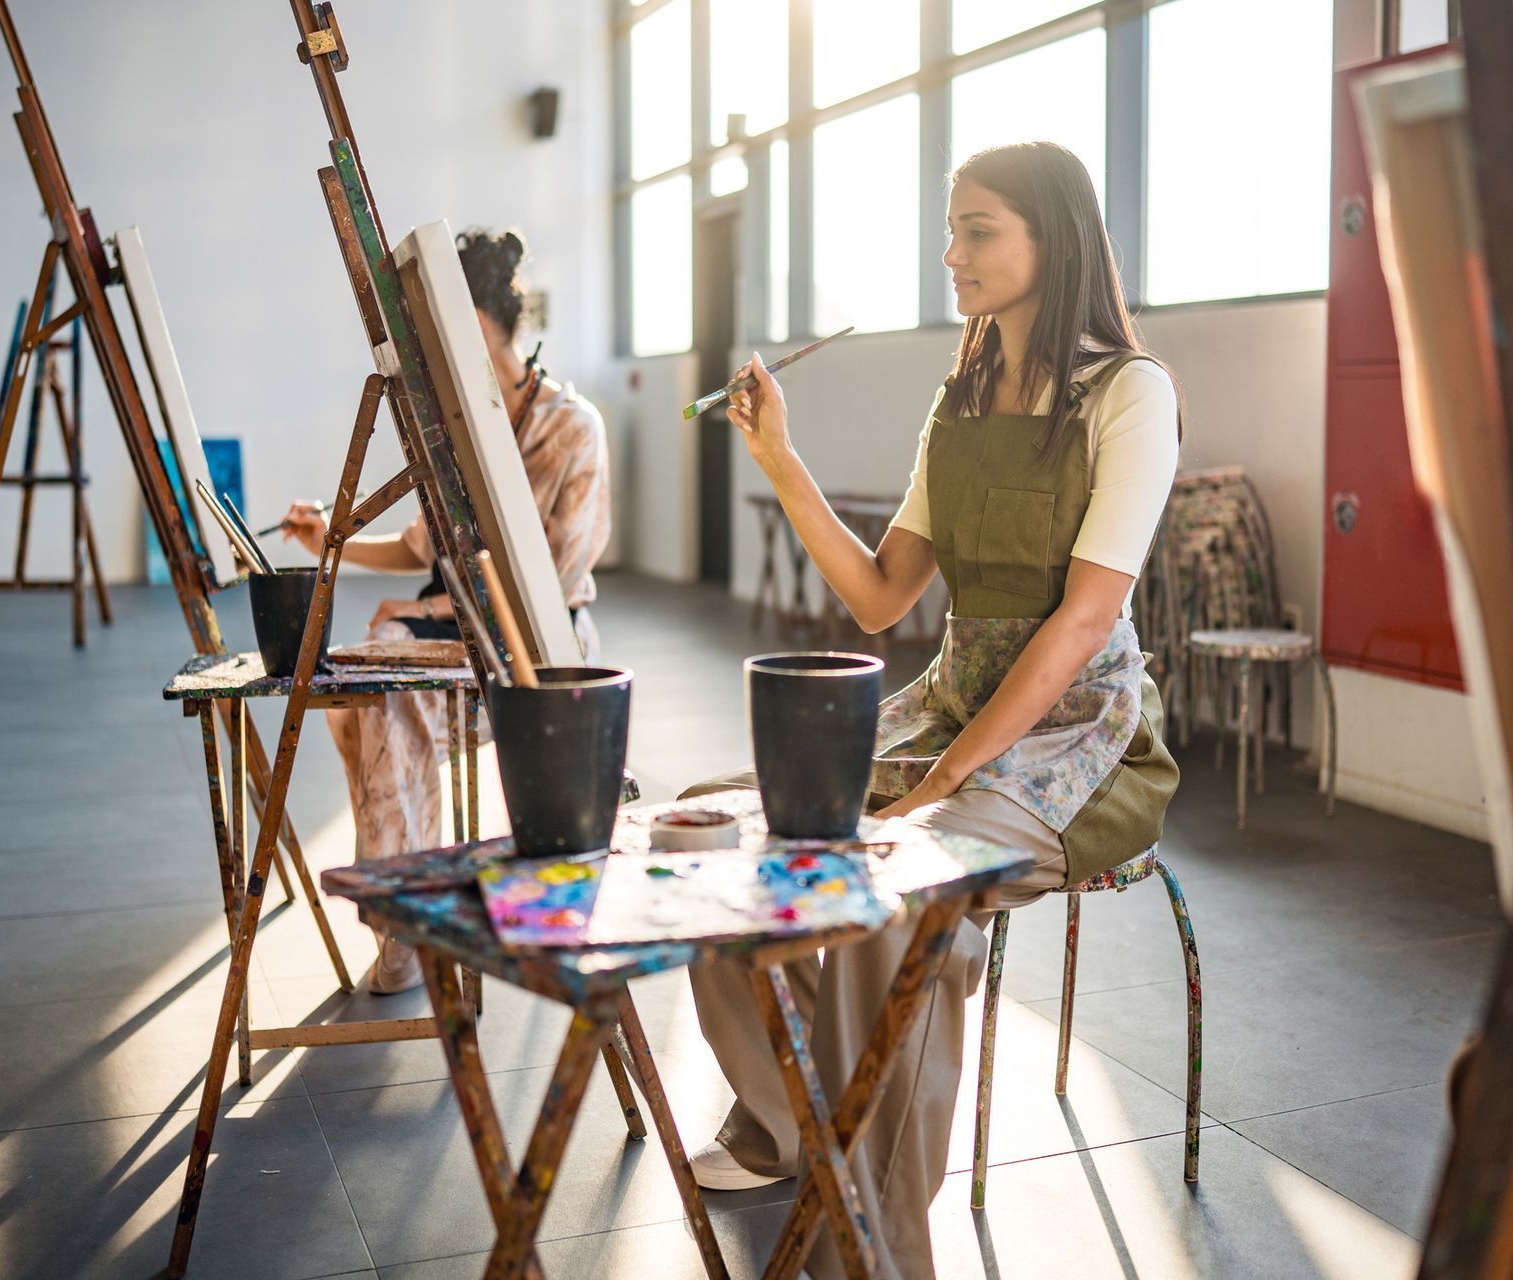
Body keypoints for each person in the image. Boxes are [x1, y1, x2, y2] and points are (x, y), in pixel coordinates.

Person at [683, 142, 1182, 1279]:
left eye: (977, 229)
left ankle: (883, 1241)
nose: (950, 252)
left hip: (1076, 735)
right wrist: (779, 453)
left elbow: (1078, 625)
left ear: (1049, 239)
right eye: (952, 228)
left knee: (899, 895)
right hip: (951, 704)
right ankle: (791, 1128)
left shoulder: (1131, 394)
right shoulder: (955, 399)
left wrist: (949, 776)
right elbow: (878, 594)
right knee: (715, 830)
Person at [278, 228, 611, 994]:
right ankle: (405, 895)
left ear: (480, 323)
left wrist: (436, 612)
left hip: (542, 656)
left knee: (389, 691)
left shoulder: (572, 427)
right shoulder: (456, 423)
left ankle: (405, 925)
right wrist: (334, 535)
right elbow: (420, 544)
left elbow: (550, 589)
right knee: (357, 689)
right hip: (463, 639)